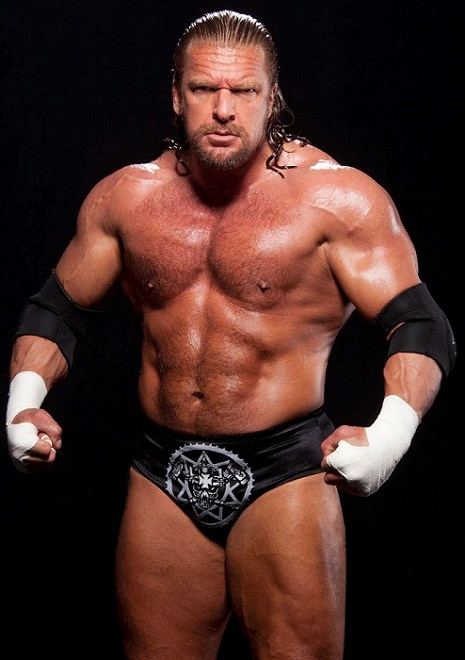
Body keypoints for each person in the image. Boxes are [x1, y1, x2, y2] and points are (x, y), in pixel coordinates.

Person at [5, 9, 455, 660]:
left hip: (286, 472)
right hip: (161, 472)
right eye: (203, 89)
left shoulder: (337, 201)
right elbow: (57, 309)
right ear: (175, 95)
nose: (223, 109)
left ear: (272, 98)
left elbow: (420, 325)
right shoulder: (125, 199)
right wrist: (22, 402)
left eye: (243, 91)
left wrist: (389, 436)